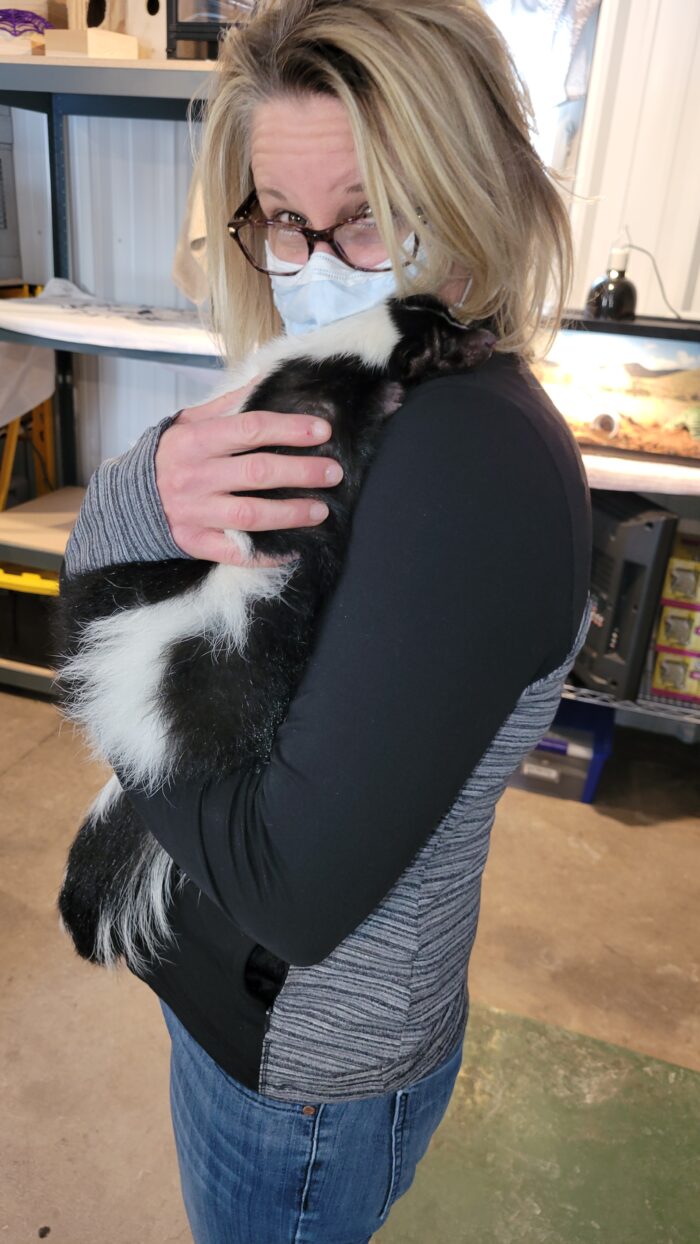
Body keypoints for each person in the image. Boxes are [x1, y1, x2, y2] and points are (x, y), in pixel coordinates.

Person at [59, 1, 593, 1240]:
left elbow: (289, 890)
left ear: (467, 192)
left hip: (302, 1065)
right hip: (240, 999)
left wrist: (102, 643)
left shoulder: (468, 465)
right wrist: (146, 496)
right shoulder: (380, 375)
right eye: (281, 221)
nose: (313, 264)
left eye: (366, 216)